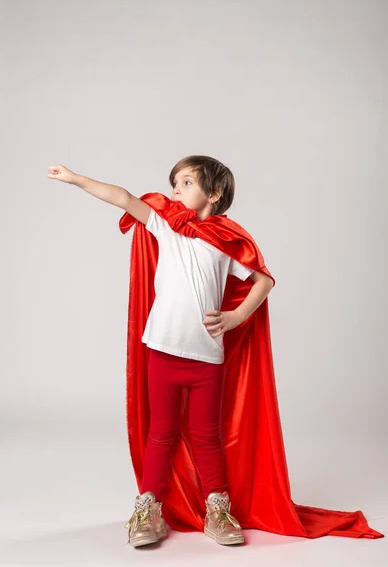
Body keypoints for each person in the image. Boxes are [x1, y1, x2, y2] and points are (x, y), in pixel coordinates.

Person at [48, 155, 384, 548]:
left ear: (215, 192)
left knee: (207, 436)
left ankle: (216, 509)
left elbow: (263, 279)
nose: (176, 189)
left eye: (187, 182)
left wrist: (237, 316)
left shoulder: (225, 241)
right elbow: (123, 197)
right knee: (161, 433)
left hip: (207, 357)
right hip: (163, 350)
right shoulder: (167, 227)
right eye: (175, 182)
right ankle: (148, 508)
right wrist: (74, 179)